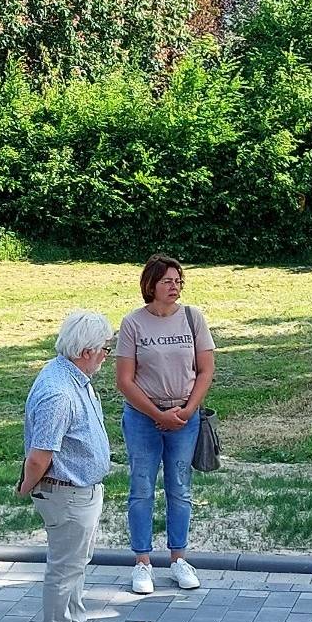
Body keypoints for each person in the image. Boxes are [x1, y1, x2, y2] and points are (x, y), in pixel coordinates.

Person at [19, 311, 119, 622]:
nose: (108, 355)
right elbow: (41, 454)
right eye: (105, 348)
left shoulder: (75, 378)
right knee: (64, 569)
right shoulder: (59, 391)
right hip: (65, 492)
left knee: (76, 565)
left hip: (81, 490)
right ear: (87, 350)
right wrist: (26, 487)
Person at [114, 255, 216, 595]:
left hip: (184, 417)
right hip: (144, 418)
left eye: (178, 281)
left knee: (180, 487)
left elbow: (205, 370)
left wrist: (187, 411)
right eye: (168, 281)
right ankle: (142, 563)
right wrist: (159, 415)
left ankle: (178, 558)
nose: (175, 286)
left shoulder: (193, 318)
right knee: (142, 487)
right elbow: (125, 381)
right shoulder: (133, 323)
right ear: (150, 285)